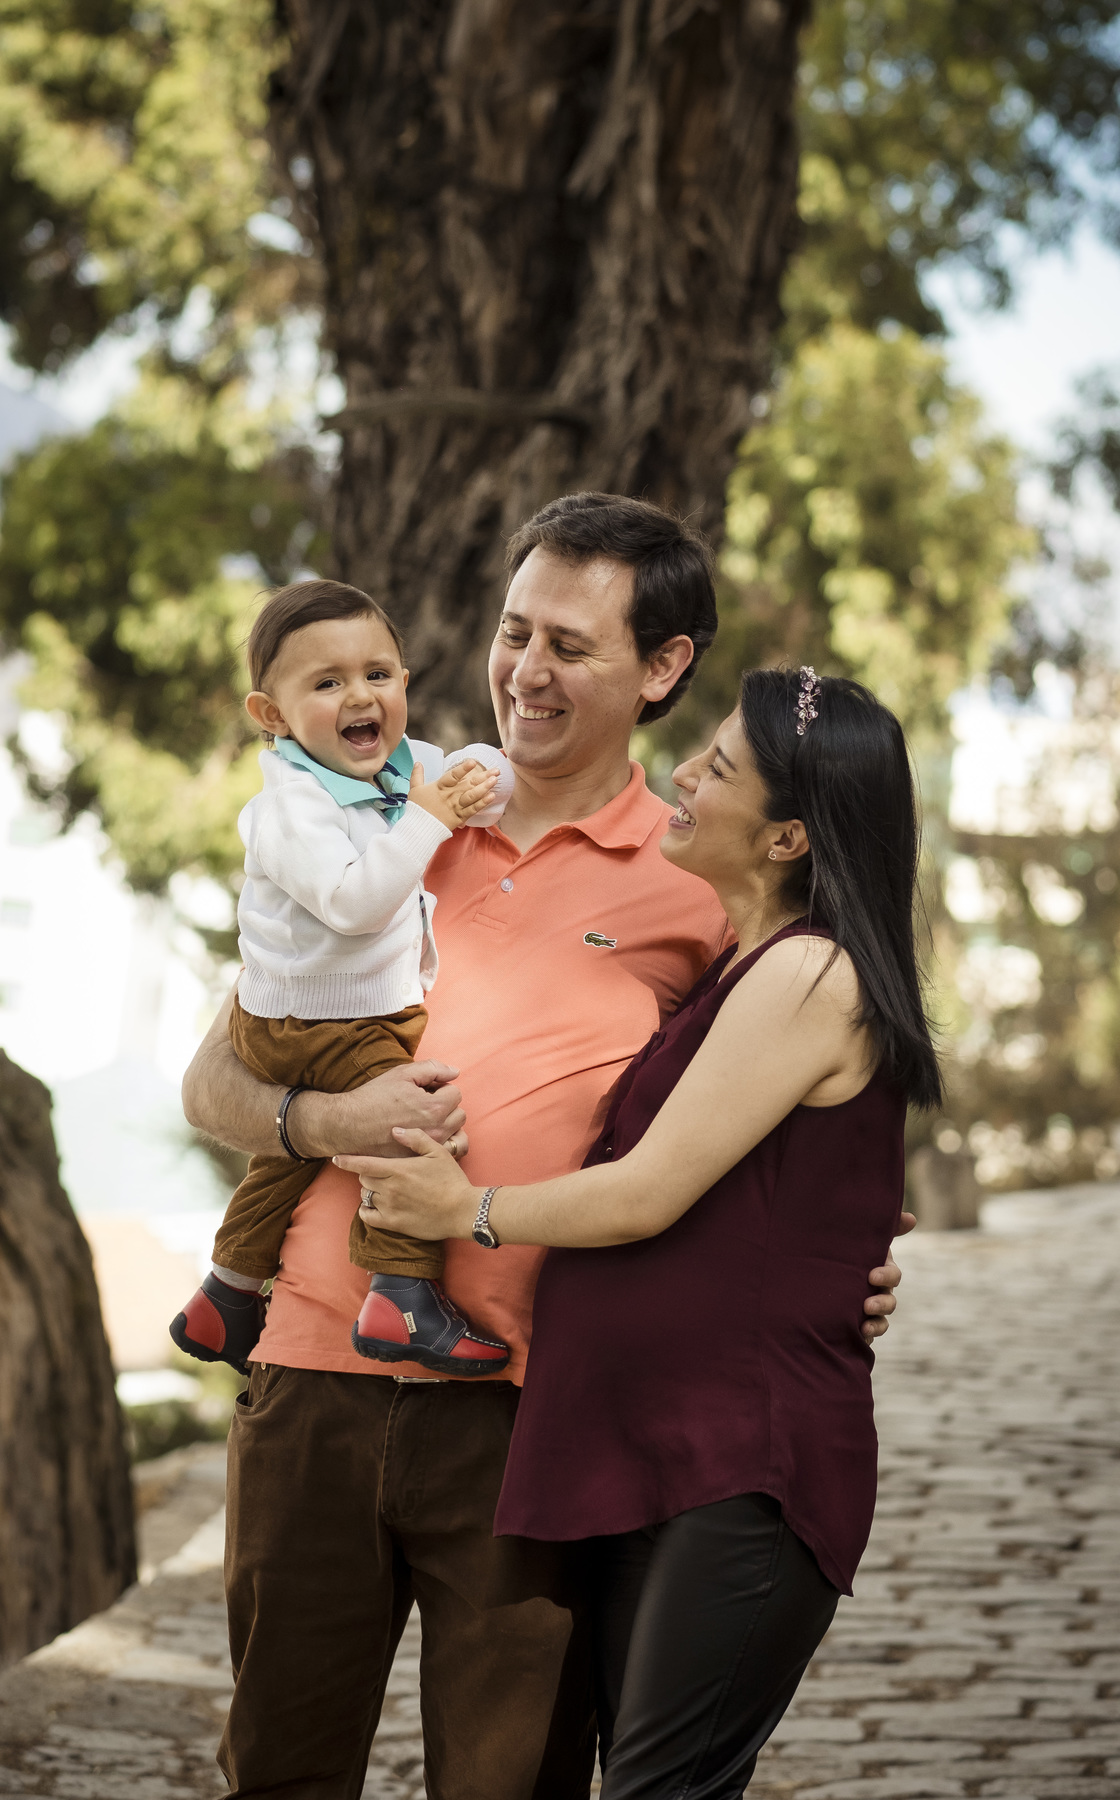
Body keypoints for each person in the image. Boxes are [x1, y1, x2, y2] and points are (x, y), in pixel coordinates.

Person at [180, 494, 910, 1800]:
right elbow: (211, 1080)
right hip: (312, 1381)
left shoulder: (704, 885)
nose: (525, 671)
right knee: (275, 1776)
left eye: (570, 645)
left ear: (663, 668)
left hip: (531, 1416)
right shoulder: (377, 822)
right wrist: (325, 1124)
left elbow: (750, 1122)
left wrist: (833, 1265)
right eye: (515, 631)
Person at [335, 663, 940, 1799]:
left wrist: (461, 1210)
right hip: (659, 1451)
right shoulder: (747, 971)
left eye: (718, 769)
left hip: (741, 1467)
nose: (682, 774)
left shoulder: (810, 972)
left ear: (786, 841)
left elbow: (648, 1189)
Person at [171, 578, 513, 1378]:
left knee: (284, 1159)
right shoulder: (290, 807)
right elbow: (355, 903)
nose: (360, 696)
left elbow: (477, 788)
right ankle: (400, 1295)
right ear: (273, 716)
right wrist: (432, 817)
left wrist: (480, 775)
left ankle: (224, 1295)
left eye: (378, 674)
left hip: (328, 1014)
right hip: (315, 1023)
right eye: (326, 684)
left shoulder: (403, 764)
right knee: (409, 1125)